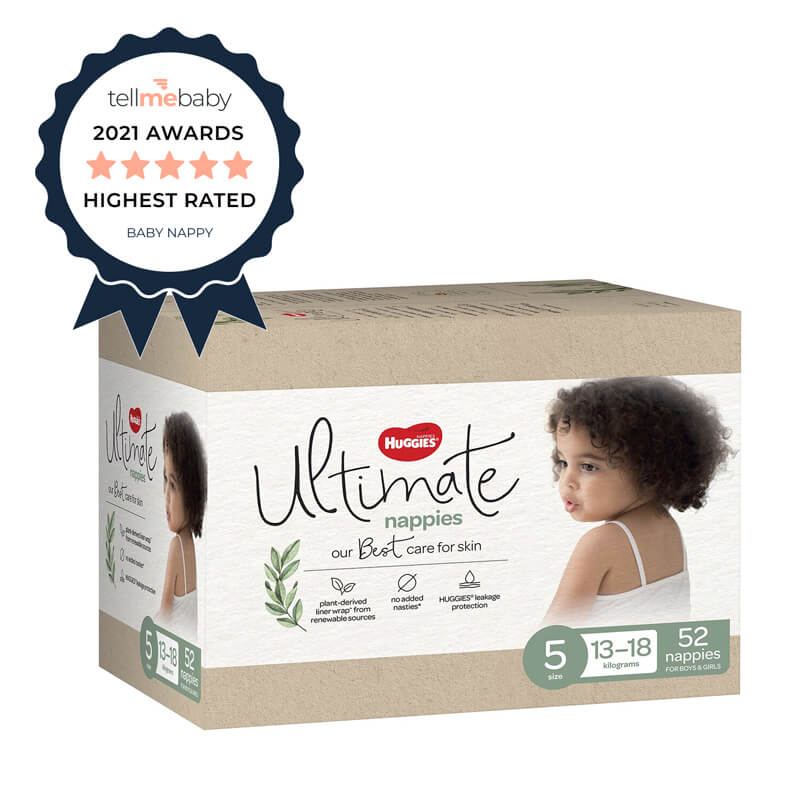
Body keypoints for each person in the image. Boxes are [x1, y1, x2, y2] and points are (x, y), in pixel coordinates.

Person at [543, 377, 732, 627]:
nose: (567, 481)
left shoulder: (600, 543)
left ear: (648, 469)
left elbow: (550, 637)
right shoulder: (667, 527)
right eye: (563, 462)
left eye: (588, 466)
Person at [156, 412, 206, 640]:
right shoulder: (191, 545)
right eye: (165, 480)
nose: (166, 495)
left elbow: (165, 613)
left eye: (174, 485)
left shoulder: (176, 546)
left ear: (191, 495)